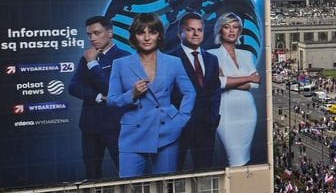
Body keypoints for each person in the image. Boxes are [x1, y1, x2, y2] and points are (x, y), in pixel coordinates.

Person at [107, 13, 195, 178]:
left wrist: (180, 119)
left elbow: (190, 92)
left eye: (152, 32)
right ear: (134, 36)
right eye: (141, 33)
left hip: (167, 131)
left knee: (165, 188)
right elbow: (111, 100)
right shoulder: (120, 64)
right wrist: (131, 94)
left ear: (159, 35)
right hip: (133, 133)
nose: (147, 38)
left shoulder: (173, 62)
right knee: (128, 188)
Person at [68, 15, 123, 179]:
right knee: (92, 176)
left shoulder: (124, 57)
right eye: (89, 35)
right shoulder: (85, 57)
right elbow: (73, 87)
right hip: (90, 126)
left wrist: (93, 64)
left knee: (127, 173)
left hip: (116, 127)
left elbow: (111, 89)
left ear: (110, 33)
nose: (92, 38)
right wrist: (98, 97)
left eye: (97, 33)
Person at [172, 12, 223, 171]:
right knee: (174, 170)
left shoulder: (212, 59)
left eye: (199, 30)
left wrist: (213, 117)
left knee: (205, 171)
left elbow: (215, 91)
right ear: (180, 33)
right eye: (190, 30)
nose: (196, 34)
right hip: (179, 127)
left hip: (206, 126)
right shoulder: (170, 59)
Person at [214, 13, 262, 166]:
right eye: (227, 27)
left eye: (235, 27)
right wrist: (248, 78)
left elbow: (257, 83)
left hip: (248, 111)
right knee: (235, 158)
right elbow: (219, 83)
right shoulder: (212, 55)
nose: (231, 31)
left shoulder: (247, 55)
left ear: (240, 31)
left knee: (245, 157)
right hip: (226, 112)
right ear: (220, 30)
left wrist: (230, 80)